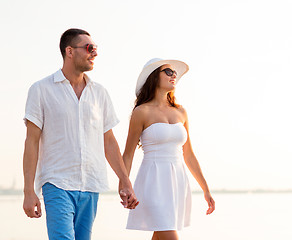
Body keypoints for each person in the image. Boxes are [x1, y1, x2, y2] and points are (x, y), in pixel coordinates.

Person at [22, 28, 138, 240]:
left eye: (95, 49)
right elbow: (31, 142)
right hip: (57, 183)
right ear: (70, 51)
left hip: (91, 185)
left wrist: (125, 180)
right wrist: (29, 190)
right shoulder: (40, 89)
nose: (94, 53)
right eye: (89, 48)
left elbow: (109, 141)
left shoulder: (100, 93)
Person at [123, 58, 215, 240]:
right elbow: (128, 154)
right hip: (152, 180)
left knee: (160, 234)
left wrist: (205, 189)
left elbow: (188, 154)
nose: (174, 76)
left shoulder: (181, 111)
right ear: (153, 77)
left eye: (174, 73)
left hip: (177, 181)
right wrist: (124, 186)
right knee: (168, 233)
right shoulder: (141, 112)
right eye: (168, 72)